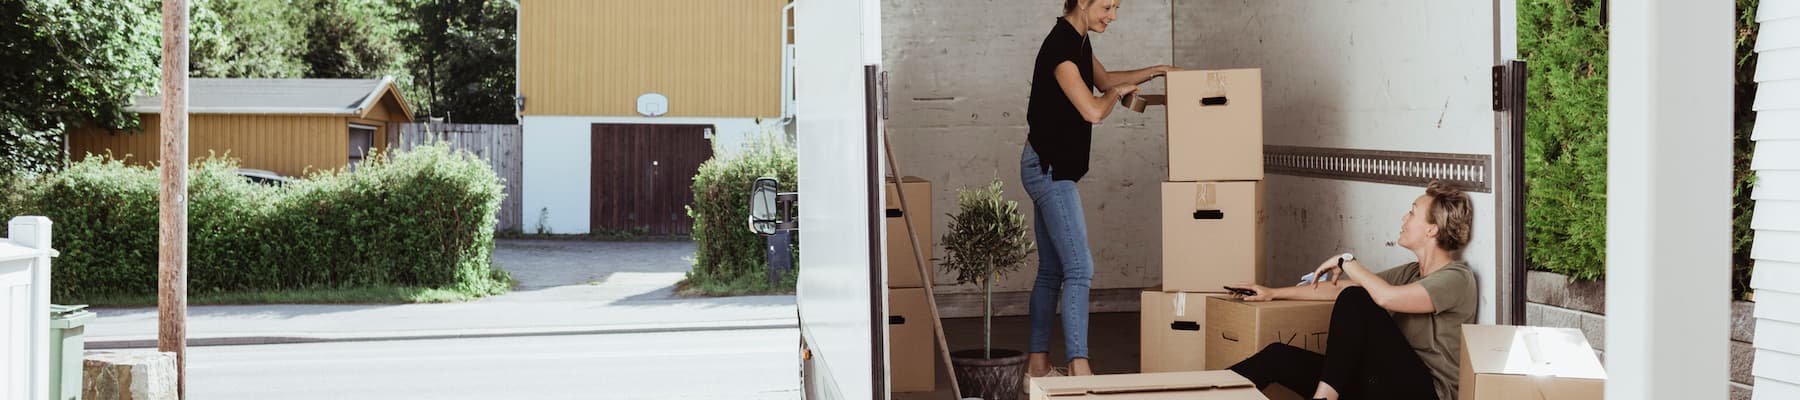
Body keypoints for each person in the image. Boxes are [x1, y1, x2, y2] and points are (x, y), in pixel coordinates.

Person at [1023, 0, 1179, 378]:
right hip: (1049, 170)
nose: (1113, 15)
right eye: (1107, 6)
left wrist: (1156, 71)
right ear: (1081, 1)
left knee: (1052, 271)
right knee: (1080, 268)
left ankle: (1038, 369)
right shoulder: (1061, 49)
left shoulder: (1078, 40)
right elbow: (1093, 109)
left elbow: (1105, 81)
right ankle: (1081, 370)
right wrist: (1117, 93)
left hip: (1046, 166)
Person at [1223, 181, 1479, 400]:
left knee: (1357, 298)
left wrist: (1346, 261)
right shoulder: (1411, 273)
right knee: (1276, 357)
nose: (1404, 218)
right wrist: (1272, 293)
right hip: (1382, 384)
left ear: (1432, 229)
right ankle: (1199, 391)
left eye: (1412, 213)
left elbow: (1382, 296)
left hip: (1426, 394)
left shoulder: (1457, 279)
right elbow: (1339, 289)